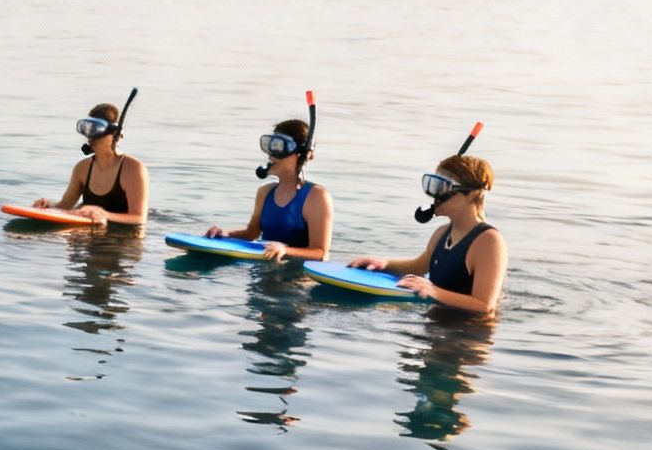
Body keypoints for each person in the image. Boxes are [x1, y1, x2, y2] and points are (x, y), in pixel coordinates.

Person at [349, 156, 506, 316]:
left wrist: (434, 292)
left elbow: (485, 305)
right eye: (433, 185)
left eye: (442, 187)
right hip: (437, 323)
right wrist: (383, 264)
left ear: (471, 194)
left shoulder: (489, 241)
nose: (435, 194)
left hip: (470, 332)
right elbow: (418, 267)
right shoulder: (441, 233)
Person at [205, 117, 332, 261]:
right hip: (263, 272)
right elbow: (251, 233)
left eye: (279, 147)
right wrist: (225, 235)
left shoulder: (316, 197)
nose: (271, 154)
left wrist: (285, 250)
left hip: (298, 278)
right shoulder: (265, 193)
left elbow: (321, 253)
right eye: (270, 145)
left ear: (300, 153)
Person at [33, 98, 148, 226]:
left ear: (114, 134)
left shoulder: (133, 169)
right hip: (91, 236)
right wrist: (48, 205)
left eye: (97, 130)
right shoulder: (82, 168)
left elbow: (139, 218)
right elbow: (65, 206)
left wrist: (103, 214)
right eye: (87, 129)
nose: (91, 136)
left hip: (123, 240)